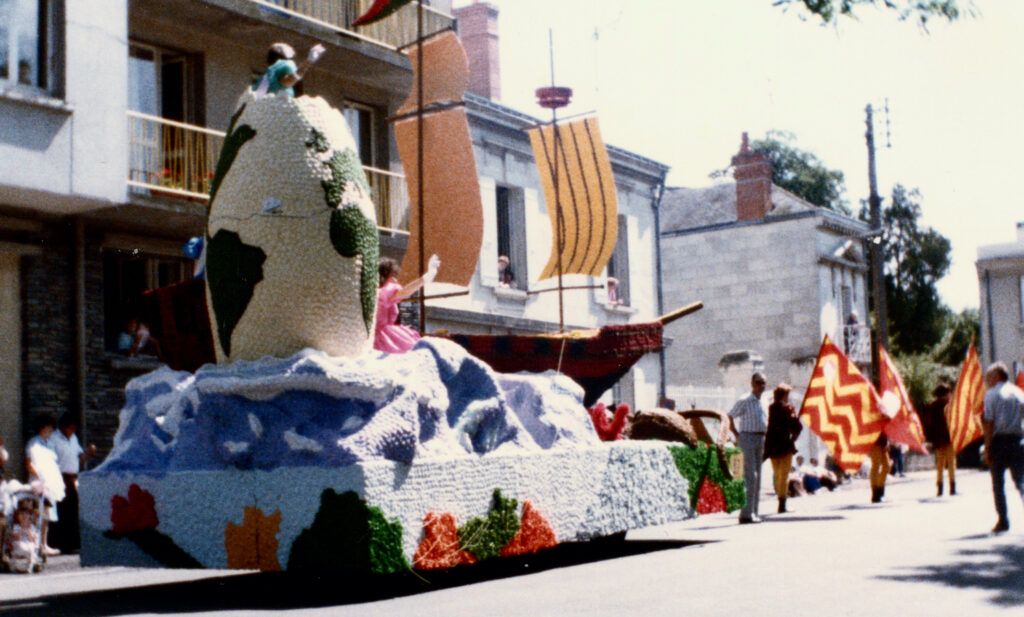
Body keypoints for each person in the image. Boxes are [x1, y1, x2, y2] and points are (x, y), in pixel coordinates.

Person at [981, 362, 1024, 533]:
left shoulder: (991, 394)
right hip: (1019, 440)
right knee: (1021, 480)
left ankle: (1003, 520)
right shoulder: (1019, 393)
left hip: (999, 441)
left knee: (998, 483)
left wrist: (988, 446)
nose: (987, 380)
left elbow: (989, 422)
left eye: (989, 376)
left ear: (997, 375)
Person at [49, 413, 96, 553]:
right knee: (62, 511)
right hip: (60, 477)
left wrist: (89, 453)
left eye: (74, 428)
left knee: (73, 511)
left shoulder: (74, 438)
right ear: (63, 427)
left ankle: (73, 544)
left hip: (73, 478)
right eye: (70, 428)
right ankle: (60, 544)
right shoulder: (54, 439)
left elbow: (80, 458)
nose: (73, 431)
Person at [374, 255, 440, 353]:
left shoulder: (378, 293)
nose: (396, 280)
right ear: (385, 275)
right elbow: (405, 292)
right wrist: (426, 277)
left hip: (378, 336)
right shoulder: (384, 292)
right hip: (383, 339)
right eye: (393, 276)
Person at [728, 372, 768, 524]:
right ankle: (745, 514)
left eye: (764, 383)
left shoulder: (763, 401)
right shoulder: (745, 400)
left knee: (758, 477)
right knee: (750, 476)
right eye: (758, 382)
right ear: (752, 384)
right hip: (747, 437)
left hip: (760, 437)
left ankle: (754, 512)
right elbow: (730, 416)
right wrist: (737, 435)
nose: (761, 386)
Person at [24, 414, 61, 556]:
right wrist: (40, 477)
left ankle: (44, 544)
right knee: (38, 513)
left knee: (47, 514)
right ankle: (37, 545)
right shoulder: (33, 443)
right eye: (50, 427)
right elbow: (28, 463)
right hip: (38, 483)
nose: (51, 430)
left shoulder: (50, 443)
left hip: (49, 483)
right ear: (43, 427)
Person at [764, 383, 802, 513]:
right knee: (784, 475)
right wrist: (793, 439)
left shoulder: (771, 408)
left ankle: (781, 499)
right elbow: (797, 427)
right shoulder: (788, 409)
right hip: (785, 445)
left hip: (773, 446)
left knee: (777, 474)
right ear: (784, 395)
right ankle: (782, 503)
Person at [252, 42, 325, 97]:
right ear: (283, 54)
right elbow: (290, 79)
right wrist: (309, 61)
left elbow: (258, 96)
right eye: (286, 46)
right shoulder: (285, 64)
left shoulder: (266, 76)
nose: (291, 48)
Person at [920, 383, 955, 496]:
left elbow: (929, 424)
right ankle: (952, 486)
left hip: (938, 439)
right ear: (945, 394)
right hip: (949, 437)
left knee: (940, 464)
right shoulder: (949, 406)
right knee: (951, 463)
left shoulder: (932, 406)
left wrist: (929, 438)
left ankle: (939, 487)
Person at [868, 434, 891, 503]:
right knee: (876, 466)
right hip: (874, 442)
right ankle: (875, 493)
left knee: (887, 466)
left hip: (882, 442)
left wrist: (887, 441)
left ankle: (880, 490)